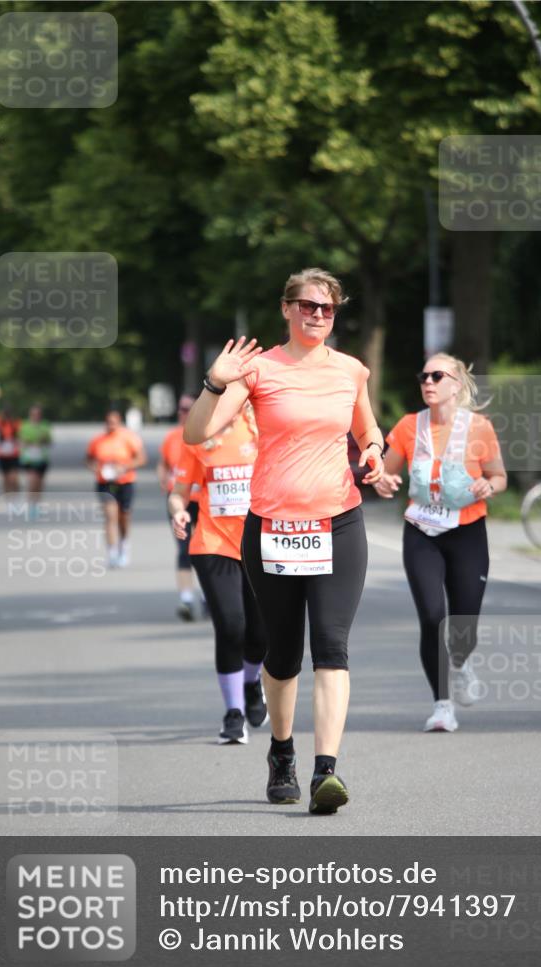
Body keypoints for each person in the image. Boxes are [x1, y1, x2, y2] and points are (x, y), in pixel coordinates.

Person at [185, 267, 384, 814]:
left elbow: (368, 430)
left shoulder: (351, 371)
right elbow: (197, 433)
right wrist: (214, 381)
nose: (317, 315)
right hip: (272, 527)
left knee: (332, 645)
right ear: (287, 309)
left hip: (338, 523)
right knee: (283, 653)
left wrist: (373, 452)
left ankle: (326, 773)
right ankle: (281, 752)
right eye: (307, 305)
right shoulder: (257, 370)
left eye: (327, 308)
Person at [374, 353, 506, 733]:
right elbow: (386, 471)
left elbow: (499, 477)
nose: (427, 382)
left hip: (467, 532)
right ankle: (442, 705)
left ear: (456, 385)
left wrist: (488, 485)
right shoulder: (407, 426)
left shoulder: (479, 428)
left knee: (464, 623)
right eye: (423, 376)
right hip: (422, 531)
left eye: (437, 375)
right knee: (432, 618)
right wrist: (383, 481)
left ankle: (461, 663)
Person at [169, 403, 267, 744]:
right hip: (212, 543)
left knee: (261, 633)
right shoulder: (197, 436)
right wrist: (179, 512)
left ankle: (252, 683)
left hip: (260, 544)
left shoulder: (261, 430)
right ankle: (233, 713)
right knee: (230, 625)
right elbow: (178, 493)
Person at [157, 395, 203, 620]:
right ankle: (186, 599)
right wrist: (164, 482)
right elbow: (163, 464)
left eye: (186, 408)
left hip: (205, 501)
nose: (181, 413)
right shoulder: (172, 437)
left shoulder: (209, 434)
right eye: (180, 409)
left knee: (205, 550)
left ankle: (207, 596)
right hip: (180, 501)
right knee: (184, 548)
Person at [86, 409, 147, 568]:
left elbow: (141, 459)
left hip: (126, 481)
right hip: (105, 482)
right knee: (110, 516)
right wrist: (95, 468)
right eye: (108, 422)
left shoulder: (129, 438)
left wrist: (125, 467)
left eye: (114, 422)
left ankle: (124, 544)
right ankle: (112, 552)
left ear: (119, 422)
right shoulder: (97, 440)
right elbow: (88, 460)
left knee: (124, 516)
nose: (111, 425)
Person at [19, 404, 52, 516]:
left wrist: (42, 441)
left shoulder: (45, 425)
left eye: (38, 414)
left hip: (42, 458)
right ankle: (31, 504)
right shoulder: (25, 425)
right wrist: (29, 443)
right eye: (33, 414)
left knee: (39, 483)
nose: (36, 416)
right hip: (29, 458)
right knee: (32, 480)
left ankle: (37, 504)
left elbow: (49, 441)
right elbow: (21, 441)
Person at [0, 405, 21, 498]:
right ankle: (8, 499)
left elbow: (20, 436)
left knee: (14, 479)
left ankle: (16, 497)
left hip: (13, 455)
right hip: (2, 455)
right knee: (5, 479)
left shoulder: (15, 422)